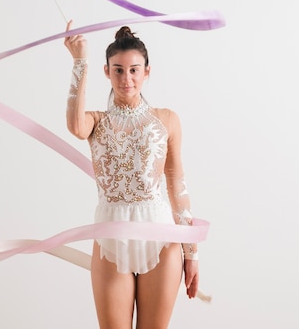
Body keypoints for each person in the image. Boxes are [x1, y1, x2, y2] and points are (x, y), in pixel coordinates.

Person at [64, 20, 199, 329]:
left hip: (162, 238)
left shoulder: (166, 120)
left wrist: (192, 252)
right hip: (112, 236)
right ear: (107, 72)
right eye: (119, 70)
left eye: (134, 69)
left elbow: (177, 183)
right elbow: (74, 125)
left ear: (146, 72)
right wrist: (79, 62)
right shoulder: (95, 122)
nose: (127, 78)